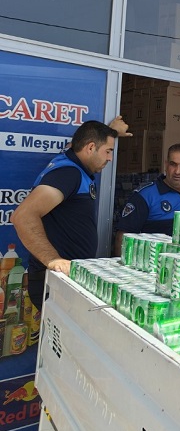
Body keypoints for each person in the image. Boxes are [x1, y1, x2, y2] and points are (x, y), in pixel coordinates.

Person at [11, 117, 129, 311]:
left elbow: (83, 141)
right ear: (90, 148)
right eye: (108, 151)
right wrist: (53, 261)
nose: (110, 158)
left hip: (66, 281)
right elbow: (22, 217)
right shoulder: (68, 174)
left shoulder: (71, 161)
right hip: (57, 283)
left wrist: (111, 131)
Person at [113, 143, 180, 255]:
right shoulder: (145, 195)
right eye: (173, 164)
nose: (177, 171)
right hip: (151, 267)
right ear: (166, 165)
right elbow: (122, 238)